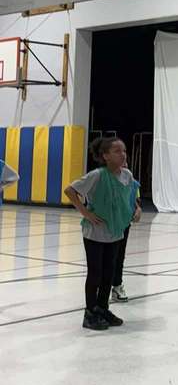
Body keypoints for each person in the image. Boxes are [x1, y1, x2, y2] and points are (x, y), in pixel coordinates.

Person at [64, 137, 140, 331]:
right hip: (95, 233)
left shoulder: (127, 175)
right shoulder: (96, 175)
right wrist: (85, 212)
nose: (123, 154)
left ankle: (102, 308)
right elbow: (70, 190)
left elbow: (132, 196)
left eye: (124, 150)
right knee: (95, 273)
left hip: (115, 231)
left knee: (109, 273)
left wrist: (136, 209)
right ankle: (89, 313)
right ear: (105, 156)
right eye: (117, 151)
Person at [111, 160, 141, 303]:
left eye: (126, 163)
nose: (125, 166)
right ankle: (101, 288)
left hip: (124, 223)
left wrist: (138, 209)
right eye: (121, 164)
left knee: (119, 255)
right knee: (106, 257)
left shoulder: (132, 182)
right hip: (109, 224)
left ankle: (117, 286)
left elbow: (134, 200)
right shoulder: (106, 180)